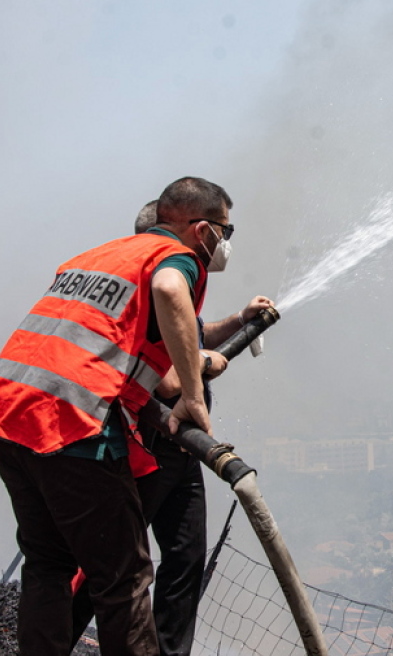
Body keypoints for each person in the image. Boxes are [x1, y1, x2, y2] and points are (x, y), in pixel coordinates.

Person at [0, 177, 243, 656]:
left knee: (48, 563)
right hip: (71, 424)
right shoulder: (175, 259)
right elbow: (169, 287)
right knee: (124, 578)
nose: (226, 242)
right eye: (226, 229)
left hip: (7, 413)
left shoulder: (99, 256)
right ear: (202, 229)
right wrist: (194, 397)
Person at [68, 198, 274, 656]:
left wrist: (241, 320)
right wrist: (199, 366)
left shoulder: (176, 292)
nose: (223, 242)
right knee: (115, 565)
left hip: (184, 451)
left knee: (184, 559)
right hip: (147, 448)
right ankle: (60, 638)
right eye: (223, 230)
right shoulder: (150, 288)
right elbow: (160, 376)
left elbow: (195, 333)